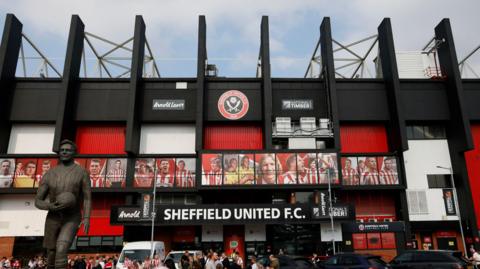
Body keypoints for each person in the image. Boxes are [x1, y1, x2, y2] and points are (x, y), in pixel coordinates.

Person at [34, 139, 91, 269]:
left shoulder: (82, 172)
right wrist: (49, 206)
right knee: (52, 252)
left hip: (72, 217)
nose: (64, 152)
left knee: (61, 249)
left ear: (74, 153)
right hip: (53, 217)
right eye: (62, 150)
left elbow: (87, 198)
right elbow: (37, 201)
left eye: (68, 150)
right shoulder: (50, 174)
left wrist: (87, 217)